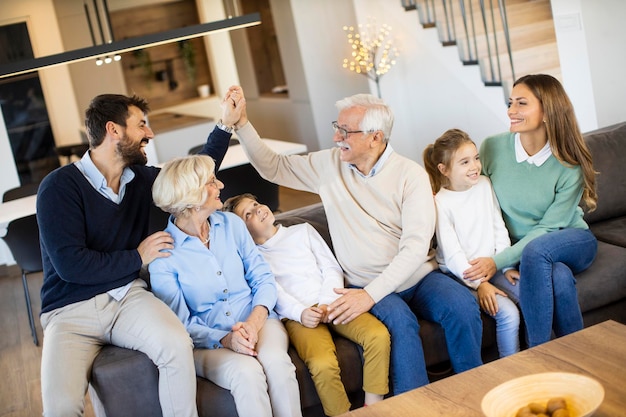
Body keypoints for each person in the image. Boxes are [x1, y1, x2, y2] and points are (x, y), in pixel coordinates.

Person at [223, 86, 483, 395]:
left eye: (345, 131)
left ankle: (478, 397)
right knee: (400, 326)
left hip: (418, 278)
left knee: (462, 306)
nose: (336, 138)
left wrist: (369, 296)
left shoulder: (409, 175)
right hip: (365, 282)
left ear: (375, 137)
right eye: (337, 128)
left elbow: (414, 248)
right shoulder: (330, 166)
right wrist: (241, 125)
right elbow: (274, 167)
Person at [36, 89, 238, 416]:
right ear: (113, 130)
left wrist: (225, 126)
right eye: (141, 125)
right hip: (69, 311)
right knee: (60, 407)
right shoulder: (59, 187)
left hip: (128, 297)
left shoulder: (143, 181)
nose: (150, 133)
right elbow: (71, 265)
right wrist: (137, 257)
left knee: (176, 346)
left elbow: (193, 179)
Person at [149, 156, 302, 417]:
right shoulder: (164, 257)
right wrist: (226, 339)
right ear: (191, 197)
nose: (220, 185)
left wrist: (254, 322)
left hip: (259, 321)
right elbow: (180, 324)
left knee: (277, 363)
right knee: (247, 374)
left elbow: (262, 277)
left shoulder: (231, 225)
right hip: (208, 343)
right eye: (211, 182)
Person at [223, 193, 390, 415]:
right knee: (322, 363)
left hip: (332, 302)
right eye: (248, 214)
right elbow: (273, 292)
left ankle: (373, 407)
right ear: (242, 232)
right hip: (298, 317)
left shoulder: (302, 231)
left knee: (377, 335)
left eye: (256, 204)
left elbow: (330, 268)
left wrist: (326, 302)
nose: (258, 210)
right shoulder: (254, 258)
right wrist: (301, 313)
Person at [472, 74, 598, 347]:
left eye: (521, 103)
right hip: (525, 250)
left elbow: (548, 230)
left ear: (546, 112)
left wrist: (499, 261)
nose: (511, 111)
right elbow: (477, 203)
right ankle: (578, 356)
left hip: (571, 239)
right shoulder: (493, 148)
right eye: (510, 102)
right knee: (559, 277)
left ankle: (537, 354)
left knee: (538, 249)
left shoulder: (569, 163)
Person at [423, 128, 520, 357]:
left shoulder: (485, 185)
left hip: (493, 266)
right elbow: (454, 256)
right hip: (462, 277)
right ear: (444, 170)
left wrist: (504, 265)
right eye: (464, 162)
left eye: (476, 158)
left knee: (529, 295)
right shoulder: (440, 203)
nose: (474, 166)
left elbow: (499, 228)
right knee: (509, 315)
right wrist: (480, 285)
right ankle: (514, 369)